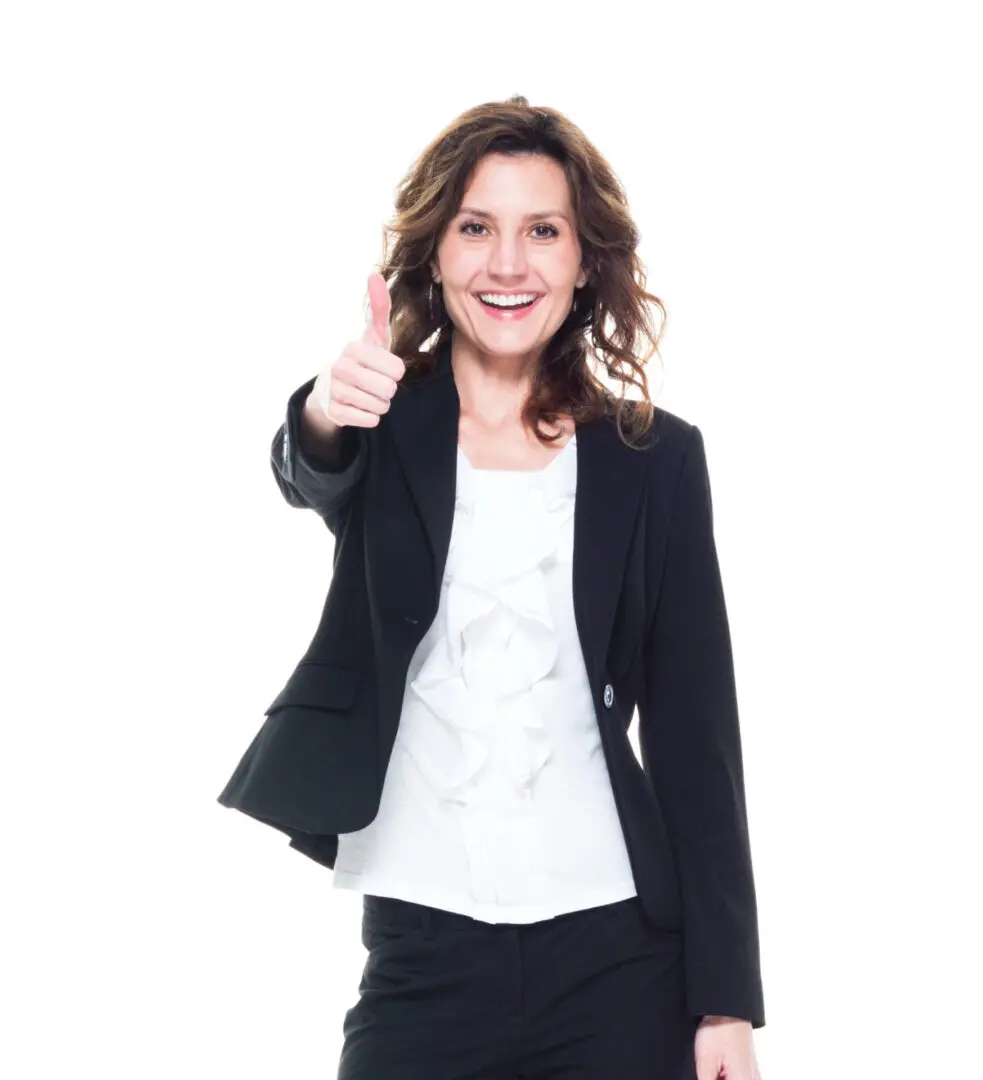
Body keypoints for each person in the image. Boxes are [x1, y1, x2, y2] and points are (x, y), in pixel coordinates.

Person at [217, 95, 765, 1080]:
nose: (506, 264)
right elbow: (307, 466)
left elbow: (695, 739)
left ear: (582, 261)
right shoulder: (381, 422)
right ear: (433, 254)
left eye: (540, 231)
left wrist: (725, 1001)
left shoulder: (655, 460)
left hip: (620, 957)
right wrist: (323, 408)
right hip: (422, 955)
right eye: (476, 228)